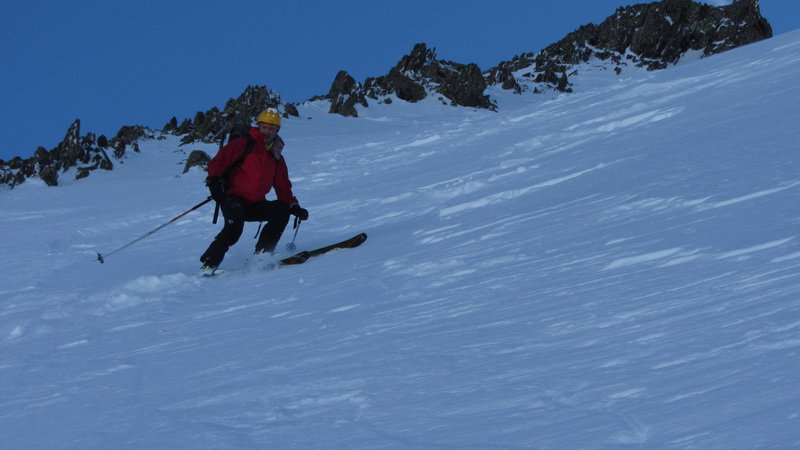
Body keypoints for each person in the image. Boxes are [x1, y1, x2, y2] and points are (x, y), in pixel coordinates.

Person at [200, 109, 309, 269]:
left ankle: (262, 256)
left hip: (254, 204)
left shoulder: (276, 156)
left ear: (277, 131)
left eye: (271, 129)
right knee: (233, 230)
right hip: (233, 198)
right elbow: (218, 161)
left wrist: (294, 206)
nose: (267, 132)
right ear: (258, 127)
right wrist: (213, 181)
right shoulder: (245, 143)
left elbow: (282, 186)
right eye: (264, 127)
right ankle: (209, 263)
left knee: (281, 209)